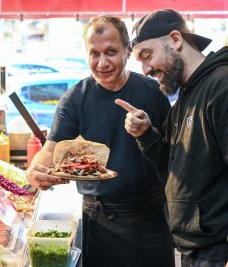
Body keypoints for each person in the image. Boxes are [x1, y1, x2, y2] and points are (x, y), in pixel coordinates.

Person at [115, 9, 228, 267]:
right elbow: (172, 166)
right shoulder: (186, 97)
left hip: (226, 253)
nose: (144, 70)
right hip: (197, 251)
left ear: (176, 39)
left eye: (147, 56)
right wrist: (146, 135)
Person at [26, 15, 175, 267]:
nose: (102, 62)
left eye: (111, 52)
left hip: (151, 215)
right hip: (100, 218)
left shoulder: (153, 91)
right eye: (94, 53)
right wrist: (35, 171)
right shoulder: (75, 99)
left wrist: (147, 131)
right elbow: (50, 149)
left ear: (128, 51)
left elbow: (174, 153)